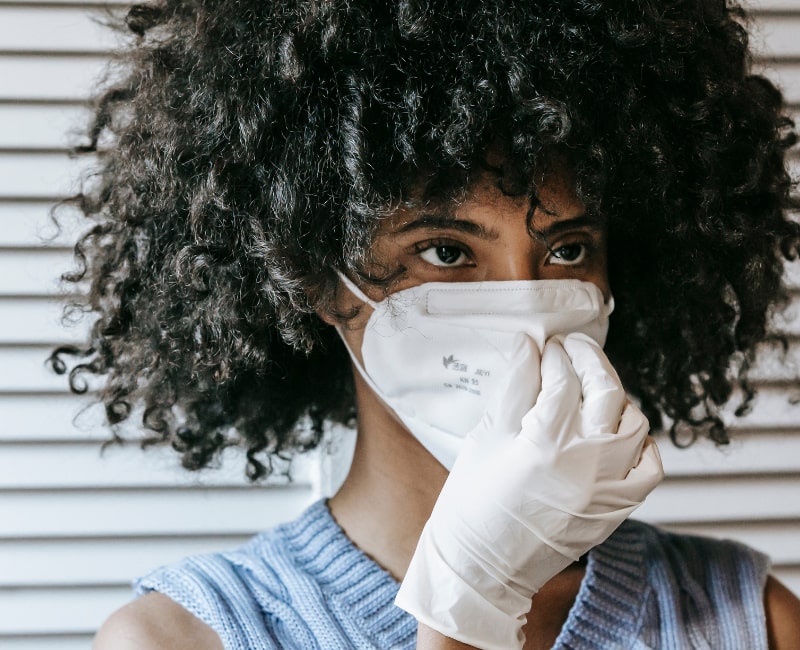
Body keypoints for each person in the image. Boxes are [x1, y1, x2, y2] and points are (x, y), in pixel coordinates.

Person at [52, 0, 800, 647]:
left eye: (567, 248)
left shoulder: (746, 620)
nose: (524, 303)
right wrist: (468, 606)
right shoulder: (187, 637)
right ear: (317, 278)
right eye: (447, 250)